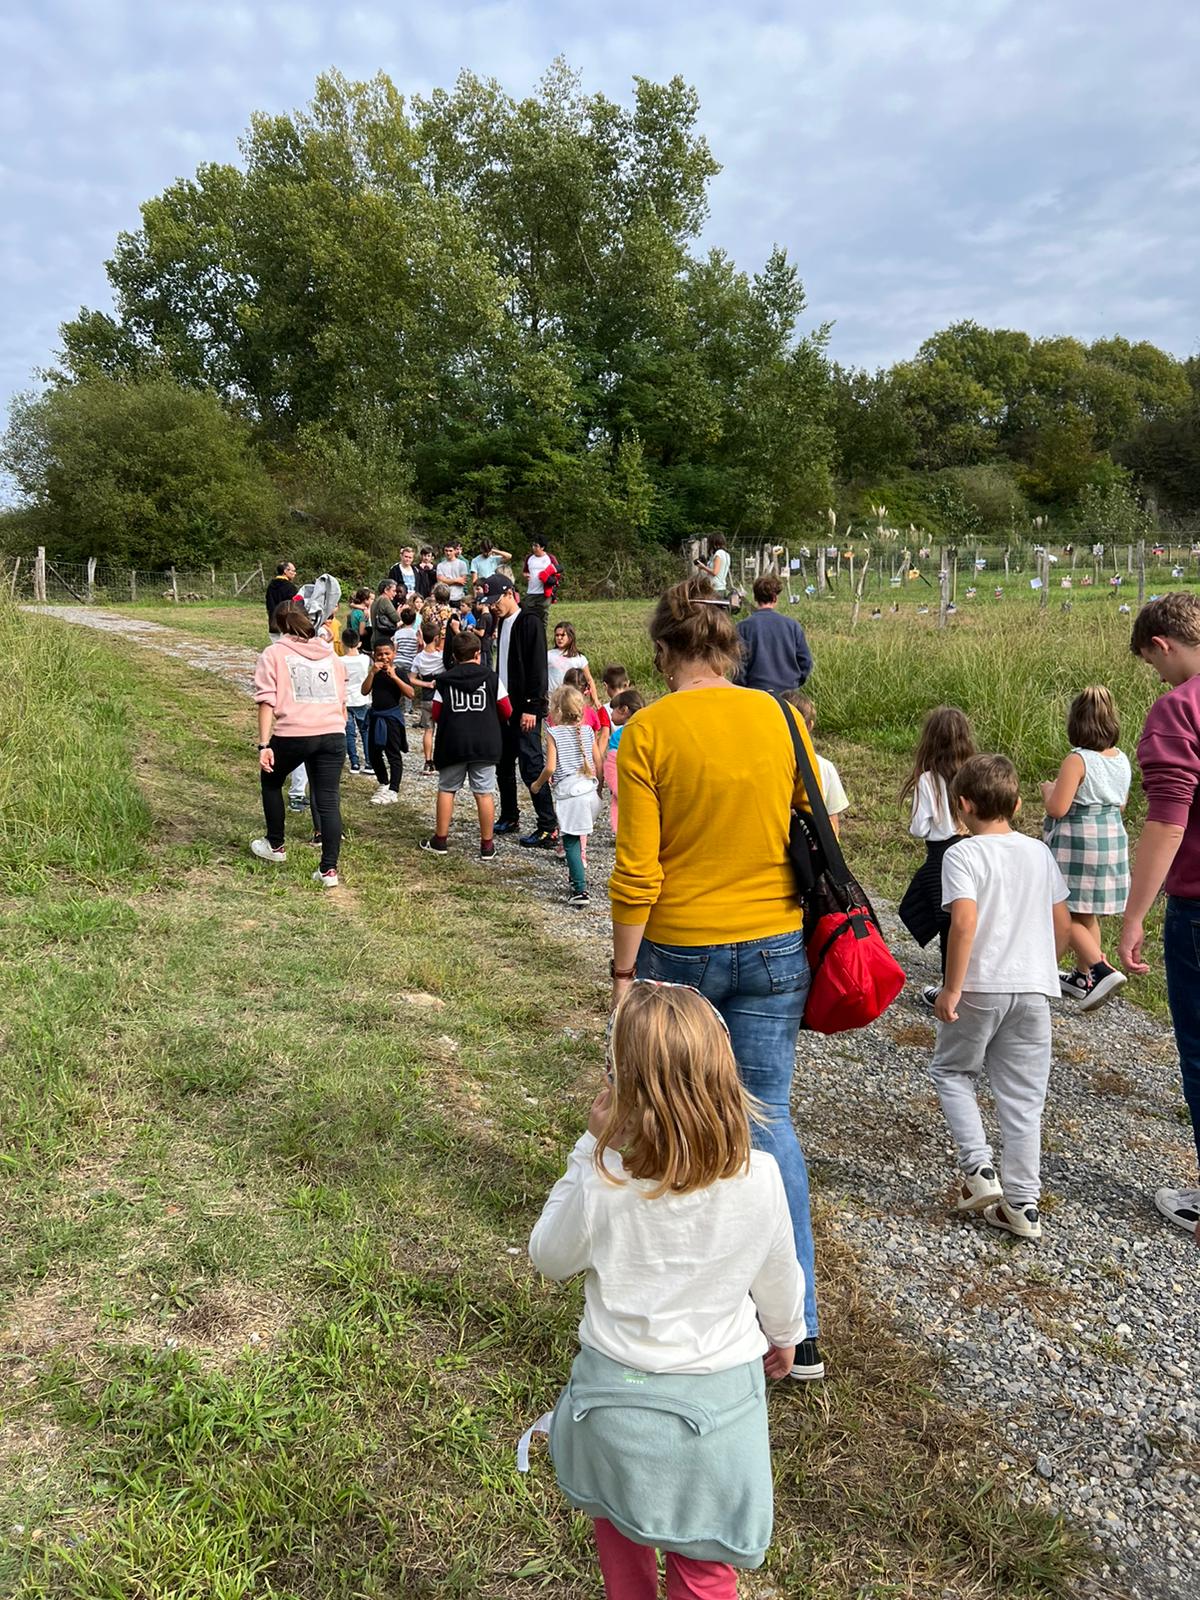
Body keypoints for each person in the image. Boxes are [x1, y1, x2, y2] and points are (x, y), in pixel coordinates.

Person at [608, 575, 825, 1381]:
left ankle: (680, 1300)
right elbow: (814, 821)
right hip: (774, 942)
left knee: (671, 1114)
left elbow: (637, 872)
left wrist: (625, 971)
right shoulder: (777, 716)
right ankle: (796, 1330)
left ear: (662, 651)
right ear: (728, 648)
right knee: (770, 1125)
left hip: (680, 949)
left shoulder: (648, 731)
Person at [528, 983, 804, 1600]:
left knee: (622, 1533)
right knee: (705, 1566)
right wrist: (787, 1336)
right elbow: (781, 1275)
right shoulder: (759, 1178)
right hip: (718, 1412)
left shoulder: (607, 1185)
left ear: (623, 1087)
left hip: (613, 1408)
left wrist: (587, 1151)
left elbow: (548, 1257)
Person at [930, 755, 1073, 1240]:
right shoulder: (1039, 852)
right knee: (1024, 1099)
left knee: (952, 1071)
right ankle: (1023, 1206)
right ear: (1015, 804)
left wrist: (952, 986)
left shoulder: (962, 855)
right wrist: (1043, 966)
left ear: (963, 806)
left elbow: (964, 923)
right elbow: (1063, 924)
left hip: (980, 984)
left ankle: (979, 1172)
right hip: (1033, 989)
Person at [1119, 594, 1200, 1236]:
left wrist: (1134, 913)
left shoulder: (1179, 708)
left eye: (1152, 663)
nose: (1157, 675)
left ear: (1162, 644)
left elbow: (1168, 820)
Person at [1041, 686, 1130, 1010]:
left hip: (1078, 844)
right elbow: (1121, 805)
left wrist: (1048, 790)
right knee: (1086, 910)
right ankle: (1083, 977)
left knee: (1063, 911)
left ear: (1075, 723)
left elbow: (1058, 808)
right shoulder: (1120, 759)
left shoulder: (1077, 760)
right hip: (1110, 839)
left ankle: (1100, 967)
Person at [251, 604, 347, 887]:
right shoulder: (329, 653)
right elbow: (341, 699)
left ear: (278, 625)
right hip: (332, 732)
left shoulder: (274, 654)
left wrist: (264, 744)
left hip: (295, 732)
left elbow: (267, 700)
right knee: (328, 797)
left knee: (271, 780)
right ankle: (329, 870)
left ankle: (275, 844)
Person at [897, 707, 976, 1008]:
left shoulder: (927, 780)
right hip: (973, 846)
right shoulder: (975, 770)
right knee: (968, 916)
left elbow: (919, 828)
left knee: (945, 921)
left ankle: (950, 987)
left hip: (942, 854)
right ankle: (969, 982)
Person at [421, 629, 512, 862]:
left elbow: (438, 713)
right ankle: (487, 846)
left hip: (453, 742)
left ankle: (440, 840)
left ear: (454, 656)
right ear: (477, 654)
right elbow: (506, 709)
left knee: (447, 789)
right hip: (485, 743)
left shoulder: (444, 681)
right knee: (484, 793)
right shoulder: (491, 678)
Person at [484, 573, 559, 847]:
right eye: (490, 603)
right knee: (503, 762)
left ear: (509, 593)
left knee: (531, 764)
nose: (493, 607)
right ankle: (510, 814)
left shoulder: (529, 622)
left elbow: (538, 667)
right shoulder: (502, 621)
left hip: (525, 707)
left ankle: (547, 825)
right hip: (504, 704)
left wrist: (532, 706)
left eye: (496, 601)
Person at [532, 684, 600, 906]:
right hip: (589, 791)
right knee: (578, 836)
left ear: (557, 710)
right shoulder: (589, 731)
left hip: (571, 795)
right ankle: (576, 876)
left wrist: (537, 784)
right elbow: (597, 761)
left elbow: (550, 767)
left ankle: (580, 890)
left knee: (570, 840)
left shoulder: (554, 733)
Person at [735, 575, 812, 693]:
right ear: (775, 598)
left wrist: (744, 688)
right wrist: (795, 683)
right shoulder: (792, 625)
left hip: (756, 692)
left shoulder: (743, 627)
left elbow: (739, 666)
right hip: (788, 692)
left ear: (755, 598)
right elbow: (806, 662)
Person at [785, 693, 847, 835]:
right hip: (813, 844)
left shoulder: (768, 764)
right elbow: (832, 819)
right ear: (809, 726)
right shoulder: (825, 767)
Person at [361, 640, 413, 805]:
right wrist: (372, 673)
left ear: (394, 654)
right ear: (374, 656)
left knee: (393, 754)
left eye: (387, 653)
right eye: (380, 654)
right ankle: (384, 783)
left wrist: (395, 677)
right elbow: (364, 691)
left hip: (391, 717)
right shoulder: (375, 673)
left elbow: (410, 693)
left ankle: (394, 789)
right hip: (376, 716)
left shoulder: (399, 672)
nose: (384, 657)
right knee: (374, 753)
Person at [604, 688, 644, 838]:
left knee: (619, 803)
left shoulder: (618, 736)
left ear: (624, 710)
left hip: (622, 779)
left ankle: (622, 830)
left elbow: (611, 762)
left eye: (613, 710)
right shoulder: (645, 729)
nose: (611, 714)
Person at [410, 621, 446, 775]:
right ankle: (441, 760)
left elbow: (411, 678)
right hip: (442, 697)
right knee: (443, 730)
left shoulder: (419, 658)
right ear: (437, 637)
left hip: (426, 697)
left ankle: (427, 762)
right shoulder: (442, 656)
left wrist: (426, 684)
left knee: (428, 730)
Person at [341, 628, 372, 776]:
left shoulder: (340, 661)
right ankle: (369, 762)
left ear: (343, 643)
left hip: (346, 700)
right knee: (365, 731)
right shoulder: (365, 659)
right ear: (359, 643)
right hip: (361, 698)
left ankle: (354, 762)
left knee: (349, 732)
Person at [547, 621, 596, 696]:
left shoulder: (579, 658)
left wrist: (595, 700)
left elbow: (589, 680)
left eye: (563, 635)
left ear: (570, 636)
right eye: (557, 635)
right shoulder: (549, 654)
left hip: (571, 699)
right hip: (552, 700)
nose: (559, 638)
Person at [522, 537, 561, 619]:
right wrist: (525, 575)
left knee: (543, 616)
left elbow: (558, 572)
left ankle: (542, 631)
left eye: (536, 546)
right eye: (533, 545)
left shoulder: (550, 558)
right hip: (531, 592)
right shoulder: (529, 558)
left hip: (544, 593)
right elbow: (525, 571)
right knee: (528, 614)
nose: (533, 548)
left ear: (542, 547)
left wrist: (549, 580)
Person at [265, 562, 298, 636]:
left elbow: (268, 604)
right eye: (293, 571)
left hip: (273, 624)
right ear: (285, 571)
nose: (295, 573)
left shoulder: (271, 586)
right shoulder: (290, 587)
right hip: (286, 626)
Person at [370, 580, 401, 648]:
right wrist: (399, 612)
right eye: (393, 591)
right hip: (383, 640)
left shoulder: (376, 601)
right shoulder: (385, 600)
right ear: (386, 590)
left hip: (375, 638)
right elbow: (396, 618)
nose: (395, 593)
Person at [394, 606, 420, 673]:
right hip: (410, 662)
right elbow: (418, 648)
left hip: (397, 661)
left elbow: (395, 649)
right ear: (414, 620)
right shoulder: (416, 634)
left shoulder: (398, 633)